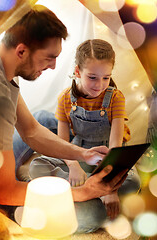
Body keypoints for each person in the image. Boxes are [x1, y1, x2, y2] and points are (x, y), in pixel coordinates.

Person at [0, 8, 128, 234]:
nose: (54, 66)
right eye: (49, 57)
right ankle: (21, 211)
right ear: (22, 51)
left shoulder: (4, 65)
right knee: (88, 212)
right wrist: (83, 192)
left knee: (43, 118)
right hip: (0, 187)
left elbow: (32, 131)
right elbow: (5, 191)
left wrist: (82, 154)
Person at [15, 39, 140, 224]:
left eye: (106, 77)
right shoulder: (65, 99)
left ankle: (79, 193)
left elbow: (115, 146)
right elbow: (62, 143)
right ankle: (89, 193)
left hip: (107, 158)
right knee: (37, 166)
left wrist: (110, 187)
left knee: (133, 183)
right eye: (92, 77)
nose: (100, 84)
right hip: (78, 153)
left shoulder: (116, 98)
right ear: (77, 72)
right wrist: (74, 167)